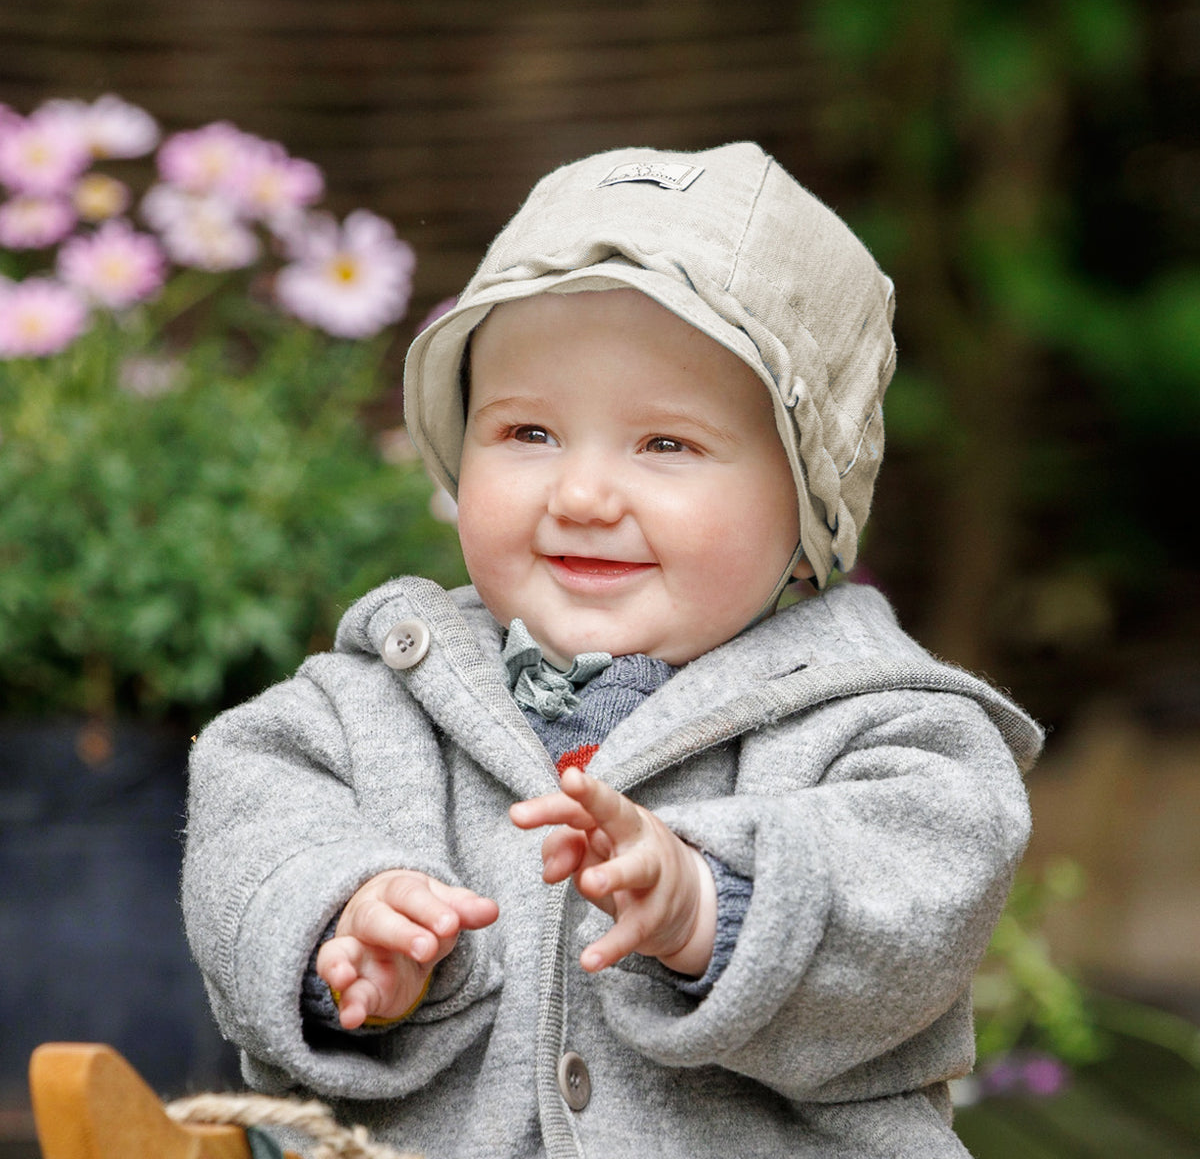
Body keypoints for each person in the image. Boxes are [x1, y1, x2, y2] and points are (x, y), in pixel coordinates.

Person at [182, 142, 1040, 1159]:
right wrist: (342, 919)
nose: (582, 496)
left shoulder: (883, 723)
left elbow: (921, 895)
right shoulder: (370, 704)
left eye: (665, 445)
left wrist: (710, 904)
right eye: (528, 433)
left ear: (809, 509)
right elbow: (254, 815)